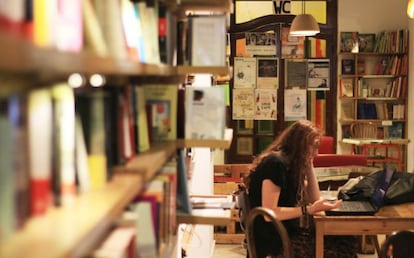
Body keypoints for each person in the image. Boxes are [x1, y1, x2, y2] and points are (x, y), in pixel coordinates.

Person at [244, 120, 360, 258]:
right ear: (300, 144)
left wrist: (309, 165)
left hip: (286, 234)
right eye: (314, 147)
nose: (317, 153)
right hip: (275, 242)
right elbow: (269, 214)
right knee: (342, 249)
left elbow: (314, 198)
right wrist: (308, 210)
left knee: (347, 240)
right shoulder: (275, 164)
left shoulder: (289, 164)